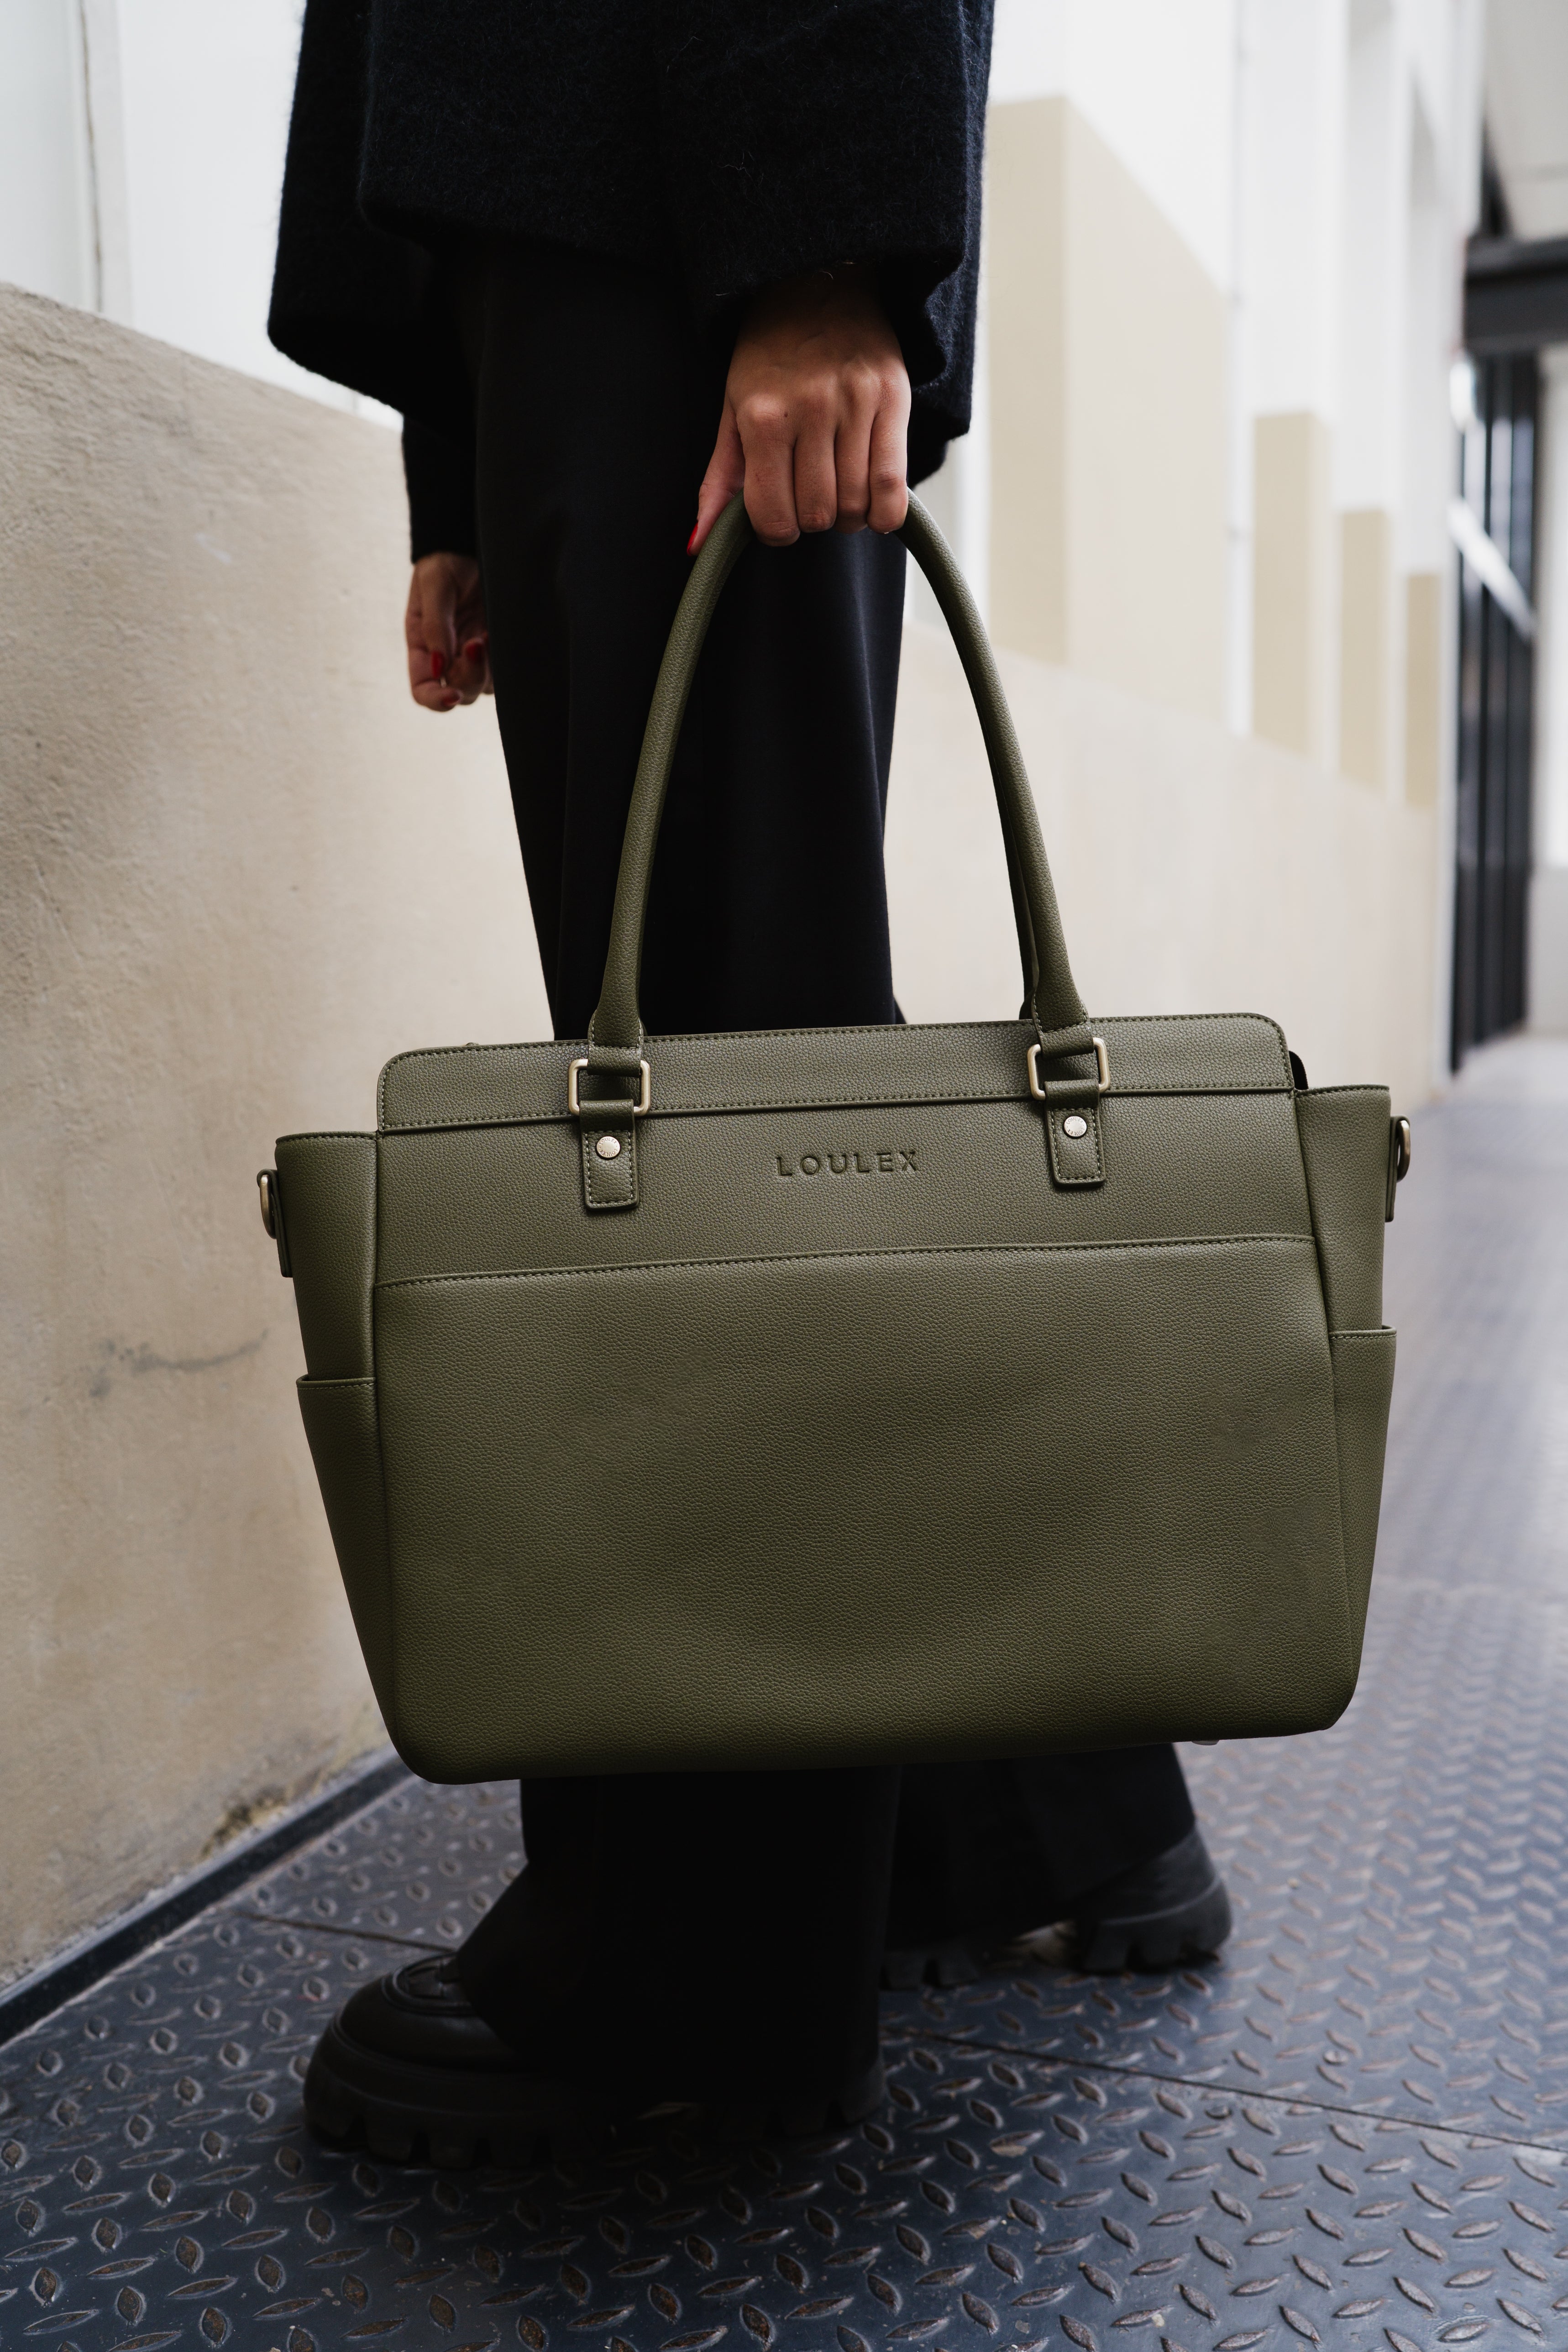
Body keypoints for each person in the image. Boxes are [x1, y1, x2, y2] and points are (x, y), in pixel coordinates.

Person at [268, 0, 1231, 2163]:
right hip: (592, 208)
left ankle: (701, 1978)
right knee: (755, 1073)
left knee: (736, 1086)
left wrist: (817, 250)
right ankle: (1023, 1819)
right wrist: (457, 438)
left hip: (687, 191)